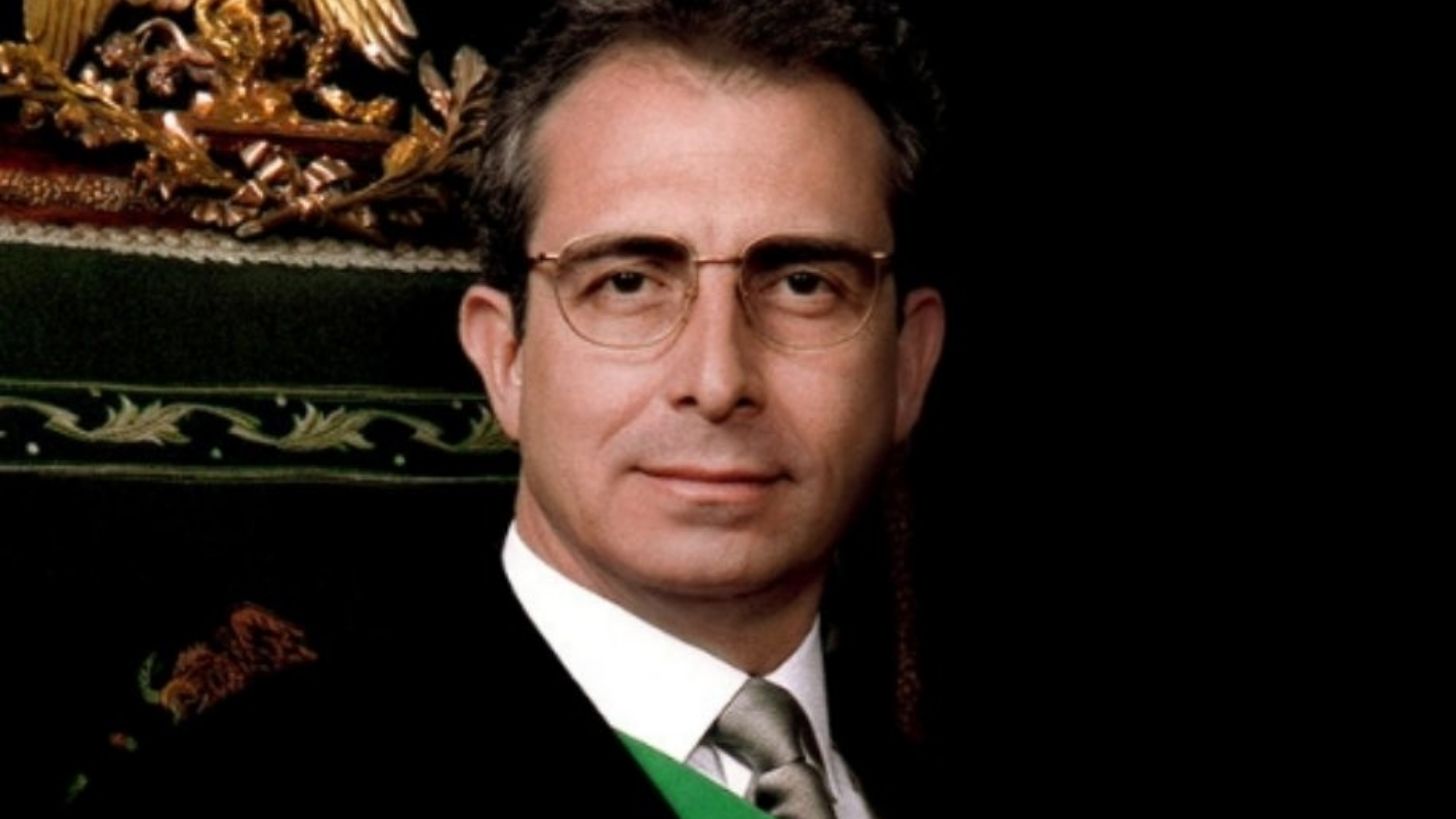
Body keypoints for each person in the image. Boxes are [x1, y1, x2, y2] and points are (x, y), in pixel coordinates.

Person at [69, 1, 945, 816]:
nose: (717, 381)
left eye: (803, 284)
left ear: (909, 365)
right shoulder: (225, 795)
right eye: (627, 283)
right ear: (506, 357)